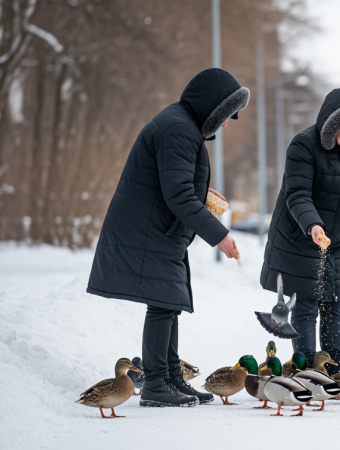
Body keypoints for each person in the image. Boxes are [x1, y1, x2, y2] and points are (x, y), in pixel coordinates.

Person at [87, 68, 249, 407]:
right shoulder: (178, 129)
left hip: (157, 227)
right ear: (212, 108)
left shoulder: (181, 125)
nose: (226, 124)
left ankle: (172, 377)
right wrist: (219, 235)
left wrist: (201, 192)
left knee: (169, 302)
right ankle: (158, 384)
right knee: (162, 305)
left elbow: (176, 185)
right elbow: (177, 195)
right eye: (225, 116)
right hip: (149, 229)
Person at [260, 88, 340, 373]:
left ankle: (335, 369)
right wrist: (313, 225)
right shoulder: (304, 145)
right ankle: (308, 369)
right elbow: (297, 194)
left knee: (335, 304)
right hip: (298, 237)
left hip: (336, 239)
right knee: (306, 305)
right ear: (333, 124)